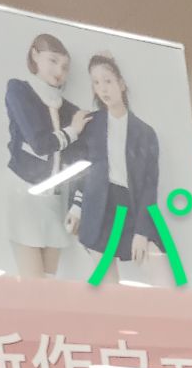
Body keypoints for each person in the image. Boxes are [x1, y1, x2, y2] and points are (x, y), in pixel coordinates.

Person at [5, 33, 93, 279]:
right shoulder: (19, 90)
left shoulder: (70, 110)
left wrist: (77, 205)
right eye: (53, 61)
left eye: (64, 67)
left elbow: (81, 163)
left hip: (54, 200)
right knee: (33, 281)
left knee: (48, 282)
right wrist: (73, 131)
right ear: (35, 55)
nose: (59, 71)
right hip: (23, 191)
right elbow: (40, 143)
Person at [65, 54, 160, 279]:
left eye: (107, 81)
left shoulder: (145, 133)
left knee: (162, 272)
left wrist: (142, 230)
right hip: (98, 207)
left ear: (121, 84)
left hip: (132, 206)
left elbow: (149, 186)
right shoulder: (90, 125)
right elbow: (80, 171)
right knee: (109, 285)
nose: (103, 88)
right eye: (96, 83)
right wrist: (76, 207)